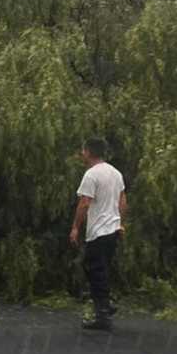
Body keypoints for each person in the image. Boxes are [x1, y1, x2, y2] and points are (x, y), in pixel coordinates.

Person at [68, 137, 126, 331]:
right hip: (112, 230)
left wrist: (76, 227)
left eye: (83, 150)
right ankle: (105, 306)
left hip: (99, 231)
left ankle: (103, 312)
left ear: (89, 152)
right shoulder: (115, 173)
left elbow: (84, 203)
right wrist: (120, 222)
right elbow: (122, 199)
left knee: (94, 269)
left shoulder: (91, 175)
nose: (81, 153)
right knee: (101, 268)